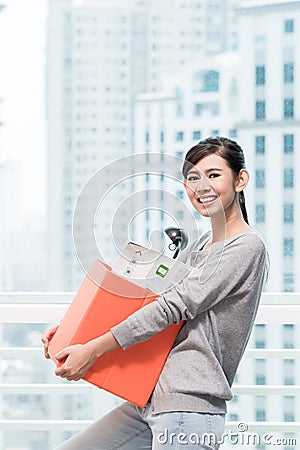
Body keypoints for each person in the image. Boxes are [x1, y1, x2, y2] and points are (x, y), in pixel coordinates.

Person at [42, 136, 268, 449]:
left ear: (240, 179)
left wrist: (92, 349)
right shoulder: (202, 245)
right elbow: (153, 301)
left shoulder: (245, 247)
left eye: (214, 175)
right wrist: (74, 333)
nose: (201, 187)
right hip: (149, 400)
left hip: (188, 407)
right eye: (192, 178)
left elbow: (171, 308)